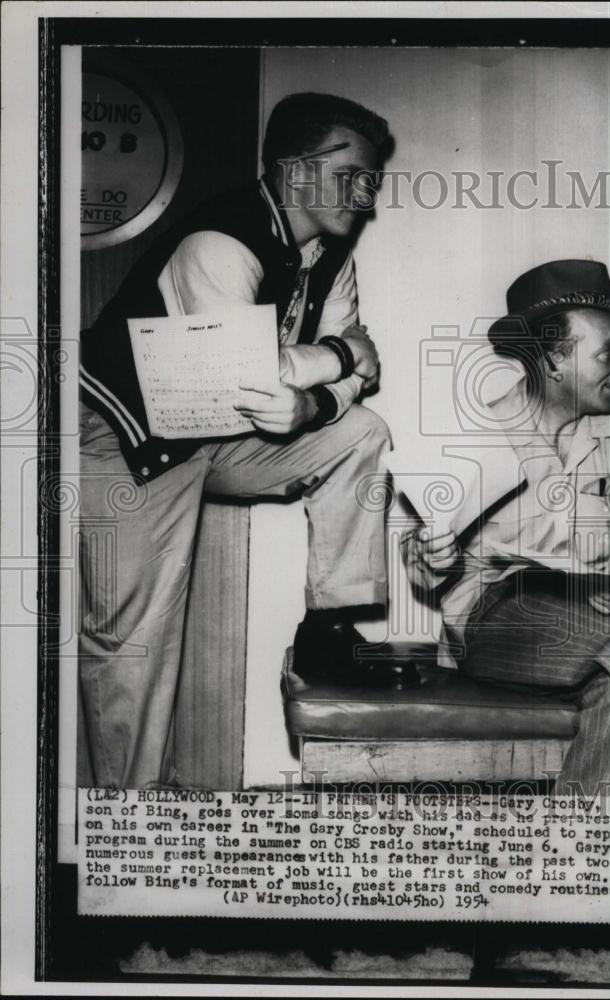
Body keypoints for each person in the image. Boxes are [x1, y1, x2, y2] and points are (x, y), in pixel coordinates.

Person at [79, 92, 400, 789]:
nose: (366, 195)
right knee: (134, 636)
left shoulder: (332, 254)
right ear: (293, 172)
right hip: (125, 436)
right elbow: (261, 380)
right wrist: (341, 359)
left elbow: (341, 390)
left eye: (371, 178)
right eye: (352, 176)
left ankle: (329, 626)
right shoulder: (218, 239)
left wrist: (321, 392)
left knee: (361, 433)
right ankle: (129, 815)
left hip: (214, 434)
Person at [401, 259, 610, 797]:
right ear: (553, 358)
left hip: (605, 622)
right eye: (607, 350)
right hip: (498, 630)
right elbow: (424, 567)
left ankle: (571, 857)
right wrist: (428, 557)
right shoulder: (474, 434)